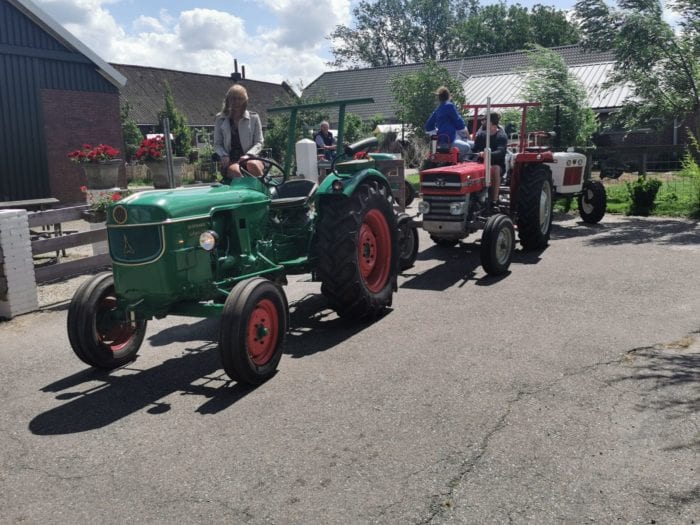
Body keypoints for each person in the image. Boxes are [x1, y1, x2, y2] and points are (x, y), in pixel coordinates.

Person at [213, 84, 264, 179]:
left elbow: (259, 142)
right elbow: (217, 144)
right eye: (233, 98)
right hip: (230, 160)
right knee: (236, 172)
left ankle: (264, 191)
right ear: (228, 100)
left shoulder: (254, 118)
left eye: (240, 98)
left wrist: (248, 155)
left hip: (251, 157)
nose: (236, 102)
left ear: (245, 100)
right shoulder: (220, 119)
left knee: (252, 165)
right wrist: (223, 155)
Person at [472, 112, 508, 211]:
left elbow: (501, 152)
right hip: (480, 163)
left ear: (491, 122)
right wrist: (477, 154)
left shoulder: (501, 136)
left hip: (496, 164)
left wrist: (487, 154)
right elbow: (474, 149)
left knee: (495, 168)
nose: (482, 122)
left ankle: (494, 201)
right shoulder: (481, 135)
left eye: (484, 120)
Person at [424, 86, 472, 160]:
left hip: (441, 142)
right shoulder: (449, 106)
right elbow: (459, 122)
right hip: (450, 141)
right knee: (467, 147)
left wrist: (435, 132)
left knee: (471, 145)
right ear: (449, 96)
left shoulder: (438, 108)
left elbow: (428, 126)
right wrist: (465, 131)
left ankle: (462, 161)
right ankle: (464, 164)